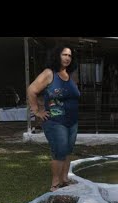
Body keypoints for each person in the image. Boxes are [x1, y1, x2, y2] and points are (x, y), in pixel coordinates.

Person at [27, 45, 80, 192]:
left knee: (68, 151)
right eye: (64, 54)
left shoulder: (70, 75)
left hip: (72, 121)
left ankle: (64, 179)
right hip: (56, 122)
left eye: (70, 56)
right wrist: (36, 110)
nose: (67, 58)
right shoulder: (49, 73)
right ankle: (55, 184)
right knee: (59, 151)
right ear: (57, 56)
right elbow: (31, 90)